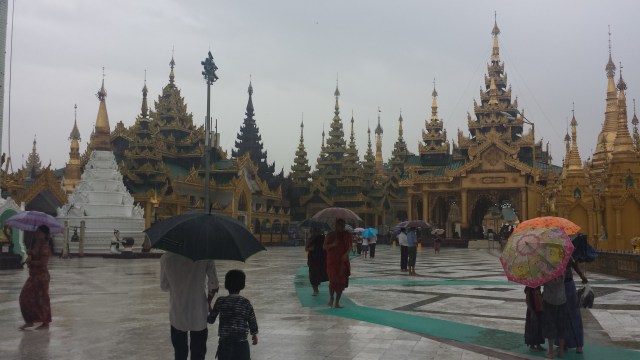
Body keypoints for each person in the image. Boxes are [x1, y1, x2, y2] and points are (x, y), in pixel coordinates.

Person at [160, 252, 219, 360]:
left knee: (179, 352)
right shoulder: (206, 255)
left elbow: (164, 286)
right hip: (199, 313)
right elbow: (214, 284)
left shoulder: (166, 257)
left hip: (177, 312)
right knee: (198, 353)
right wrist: (208, 302)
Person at [208, 270, 258, 360]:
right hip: (242, 344)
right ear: (242, 285)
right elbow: (252, 320)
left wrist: (209, 310)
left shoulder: (221, 301)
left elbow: (211, 320)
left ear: (226, 284)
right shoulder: (245, 302)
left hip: (225, 343)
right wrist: (254, 335)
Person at [18, 225, 52, 330]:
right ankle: (29, 321)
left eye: (39, 232)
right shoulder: (37, 244)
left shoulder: (45, 246)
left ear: (44, 234)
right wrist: (30, 252)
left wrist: (31, 262)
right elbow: (35, 254)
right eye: (36, 231)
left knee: (42, 300)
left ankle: (45, 323)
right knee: (24, 297)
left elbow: (43, 263)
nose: (36, 233)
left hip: (41, 277)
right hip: (33, 276)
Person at [323, 218, 352, 308]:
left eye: (343, 225)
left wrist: (345, 254)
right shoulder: (331, 234)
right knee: (333, 281)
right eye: (340, 225)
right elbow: (324, 246)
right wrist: (333, 244)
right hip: (332, 261)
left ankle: (337, 302)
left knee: (341, 282)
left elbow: (350, 247)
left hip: (343, 261)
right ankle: (331, 297)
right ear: (336, 225)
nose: (342, 227)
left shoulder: (347, 235)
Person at [562, 259, 588, 354]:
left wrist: (582, 276)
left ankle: (578, 344)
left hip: (569, 288)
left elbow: (574, 265)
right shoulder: (551, 256)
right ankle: (563, 342)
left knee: (574, 314)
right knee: (561, 315)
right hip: (558, 288)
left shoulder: (569, 254)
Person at [542, 274, 566, 359]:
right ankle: (561, 351)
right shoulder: (562, 268)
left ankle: (551, 352)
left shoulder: (545, 271)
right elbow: (560, 281)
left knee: (550, 326)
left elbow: (553, 282)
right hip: (562, 300)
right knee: (561, 326)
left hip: (549, 301)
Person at [305, 227, 328, 296]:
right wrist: (310, 248)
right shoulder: (310, 238)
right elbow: (306, 248)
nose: (315, 230)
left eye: (317, 229)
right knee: (313, 274)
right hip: (312, 258)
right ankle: (315, 290)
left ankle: (317, 288)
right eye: (314, 229)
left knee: (321, 273)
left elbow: (325, 247)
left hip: (321, 258)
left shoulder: (322, 237)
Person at [524, 286, 545, 352]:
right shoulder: (528, 288)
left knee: (539, 327)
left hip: (539, 310)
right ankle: (532, 345)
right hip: (532, 310)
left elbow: (540, 298)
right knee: (532, 328)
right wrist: (532, 312)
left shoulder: (538, 287)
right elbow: (527, 301)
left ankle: (538, 344)